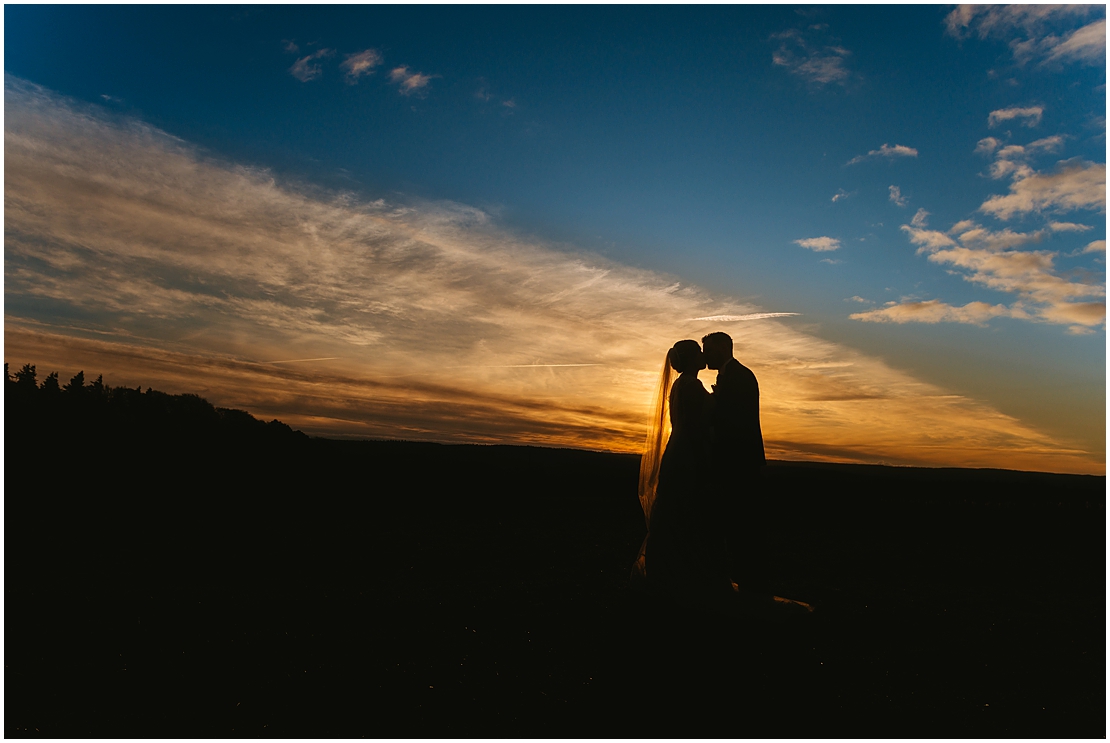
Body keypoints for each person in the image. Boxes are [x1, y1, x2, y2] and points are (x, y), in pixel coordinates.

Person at [631, 339, 734, 607]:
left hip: (678, 451)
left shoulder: (682, 385)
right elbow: (697, 425)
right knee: (689, 511)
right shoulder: (690, 385)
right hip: (688, 454)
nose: (703, 355)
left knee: (678, 512)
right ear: (690, 359)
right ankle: (684, 576)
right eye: (699, 352)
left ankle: (672, 571)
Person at [701, 331, 768, 594]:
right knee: (732, 527)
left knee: (743, 529)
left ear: (722, 349)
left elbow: (736, 423)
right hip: (732, 465)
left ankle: (750, 587)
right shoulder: (730, 375)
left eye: (708, 350)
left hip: (740, 466)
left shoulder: (740, 376)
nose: (705, 356)